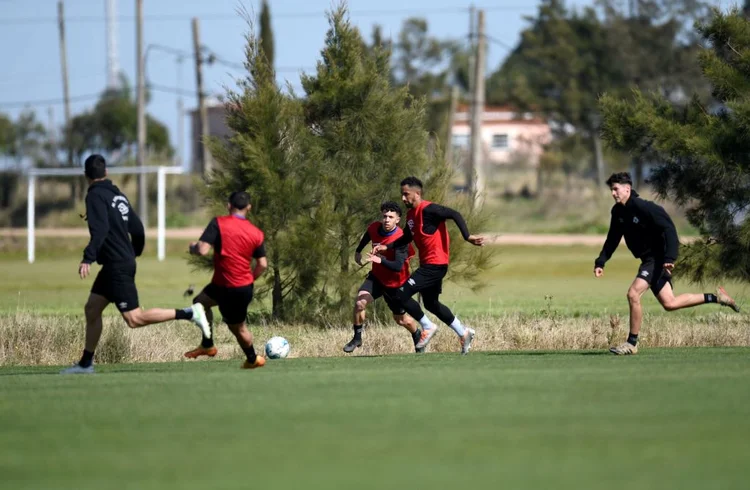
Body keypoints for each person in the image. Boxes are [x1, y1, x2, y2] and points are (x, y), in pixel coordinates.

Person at [61, 154, 211, 374]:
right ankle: (85, 364)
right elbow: (138, 229)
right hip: (118, 262)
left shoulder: (94, 196)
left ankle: (190, 313)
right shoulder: (118, 196)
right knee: (92, 308)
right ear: (107, 173)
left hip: (116, 265)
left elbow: (100, 229)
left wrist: (88, 257)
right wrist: (134, 252)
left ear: (86, 176)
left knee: (134, 318)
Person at [595, 172, 740, 355]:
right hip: (649, 260)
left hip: (657, 258)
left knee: (633, 294)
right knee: (670, 303)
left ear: (627, 189)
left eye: (616, 189)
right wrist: (601, 261)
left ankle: (632, 343)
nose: (613, 193)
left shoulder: (644, 207)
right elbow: (613, 238)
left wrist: (670, 258)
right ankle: (717, 297)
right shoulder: (618, 212)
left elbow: (669, 228)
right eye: (611, 190)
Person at [373, 177, 485, 354]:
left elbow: (455, 214)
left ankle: (427, 326)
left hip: (435, 265)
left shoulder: (430, 209)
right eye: (402, 194)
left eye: (406, 194)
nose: (403, 199)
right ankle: (463, 333)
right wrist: (386, 246)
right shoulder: (410, 215)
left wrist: (467, 236)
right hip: (430, 265)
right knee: (431, 304)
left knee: (400, 295)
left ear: (417, 194)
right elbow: (406, 238)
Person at [184, 191, 268, 369]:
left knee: (236, 328)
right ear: (249, 208)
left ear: (229, 206)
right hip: (239, 287)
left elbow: (202, 250)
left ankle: (250, 359)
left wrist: (192, 248)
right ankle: (210, 346)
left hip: (226, 286)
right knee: (200, 303)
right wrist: (249, 280)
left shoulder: (219, 223)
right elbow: (262, 264)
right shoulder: (256, 233)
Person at [343, 201, 423, 353]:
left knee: (401, 320)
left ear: (397, 220)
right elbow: (369, 234)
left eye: (390, 217)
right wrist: (358, 250)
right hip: (377, 278)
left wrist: (379, 260)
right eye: (385, 216)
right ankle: (357, 338)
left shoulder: (401, 238)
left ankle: (417, 335)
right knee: (360, 303)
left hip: (397, 284)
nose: (386, 219)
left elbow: (398, 266)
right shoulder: (375, 227)